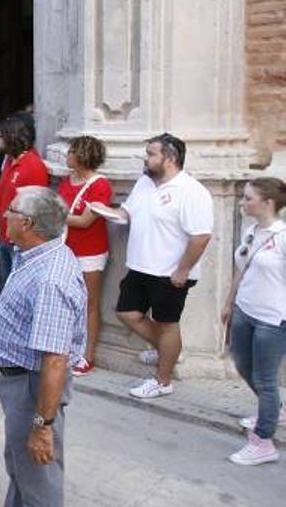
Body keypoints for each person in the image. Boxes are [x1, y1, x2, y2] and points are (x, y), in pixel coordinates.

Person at [0, 186, 85, 507]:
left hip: (35, 386)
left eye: (12, 210)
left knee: (40, 478)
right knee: (21, 465)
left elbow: (54, 361)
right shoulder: (32, 254)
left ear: (29, 224)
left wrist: (42, 425)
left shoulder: (49, 278)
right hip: (20, 381)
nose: (4, 214)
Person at [104, 134, 213, 399]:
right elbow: (126, 214)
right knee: (127, 313)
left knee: (167, 325)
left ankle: (163, 380)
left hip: (169, 273)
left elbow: (200, 236)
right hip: (140, 265)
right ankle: (168, 351)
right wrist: (103, 211)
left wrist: (183, 270)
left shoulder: (192, 191)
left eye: (151, 153)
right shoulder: (144, 183)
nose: (145, 157)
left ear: (170, 159)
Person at [221, 177, 285, 465]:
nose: (243, 202)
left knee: (266, 378)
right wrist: (229, 301)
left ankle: (263, 441)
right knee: (243, 364)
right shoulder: (251, 231)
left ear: (267, 202)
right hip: (245, 310)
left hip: (273, 318)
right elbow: (242, 267)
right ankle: (272, 409)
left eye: (248, 198)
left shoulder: (282, 237)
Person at [57, 135, 112, 376]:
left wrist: (50, 214)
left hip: (90, 251)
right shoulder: (66, 181)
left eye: (71, 152)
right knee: (67, 302)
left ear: (81, 157)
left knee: (89, 303)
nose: (66, 156)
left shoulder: (100, 185)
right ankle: (68, 348)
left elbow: (84, 221)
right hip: (65, 248)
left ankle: (87, 355)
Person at [0, 114, 49, 284]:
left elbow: (35, 208)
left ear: (11, 137)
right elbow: (6, 197)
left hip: (19, 241)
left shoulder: (32, 166)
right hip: (6, 234)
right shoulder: (10, 160)